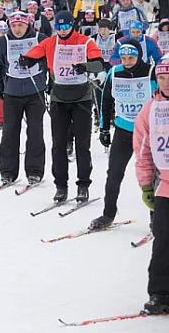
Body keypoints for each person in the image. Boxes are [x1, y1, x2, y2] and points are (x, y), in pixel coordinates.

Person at [19, 10, 104, 203]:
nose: (63, 30)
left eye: (66, 26)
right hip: (59, 98)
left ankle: (83, 185)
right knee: (58, 145)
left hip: (81, 97)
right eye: (59, 27)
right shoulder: (51, 42)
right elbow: (34, 54)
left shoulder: (86, 41)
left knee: (82, 145)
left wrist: (86, 66)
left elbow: (99, 64)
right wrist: (26, 59)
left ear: (72, 25)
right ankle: (61, 186)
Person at [89, 40, 156, 230]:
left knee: (153, 177)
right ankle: (108, 214)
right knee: (114, 173)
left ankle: (156, 217)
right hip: (123, 130)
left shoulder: (151, 72)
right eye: (123, 58)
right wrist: (104, 128)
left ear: (139, 56)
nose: (127, 62)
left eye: (131, 58)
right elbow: (106, 101)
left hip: (148, 132)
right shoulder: (114, 72)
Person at [0, 11, 48, 184]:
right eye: (13, 25)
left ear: (27, 24)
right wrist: (0, 88)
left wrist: (47, 83)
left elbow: (49, 61)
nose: (17, 29)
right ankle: (8, 171)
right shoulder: (3, 42)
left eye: (20, 25)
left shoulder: (40, 37)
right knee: (9, 133)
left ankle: (34, 171)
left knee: (35, 133)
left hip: (35, 93)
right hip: (12, 93)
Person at [133, 57, 169, 315]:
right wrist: (146, 185)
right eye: (163, 77)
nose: (167, 82)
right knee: (164, 242)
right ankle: (159, 293)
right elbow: (143, 150)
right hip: (166, 186)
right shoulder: (150, 110)